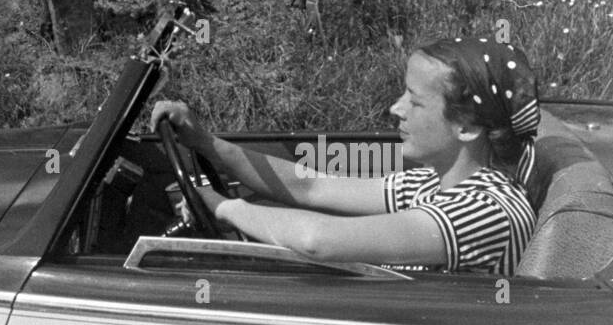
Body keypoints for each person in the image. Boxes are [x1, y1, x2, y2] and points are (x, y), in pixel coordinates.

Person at [149, 36, 540, 274]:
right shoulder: (432, 182)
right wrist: (207, 144)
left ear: (467, 128)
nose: (395, 108)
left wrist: (222, 208)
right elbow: (312, 186)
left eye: (415, 102)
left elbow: (318, 240)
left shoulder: (489, 212)